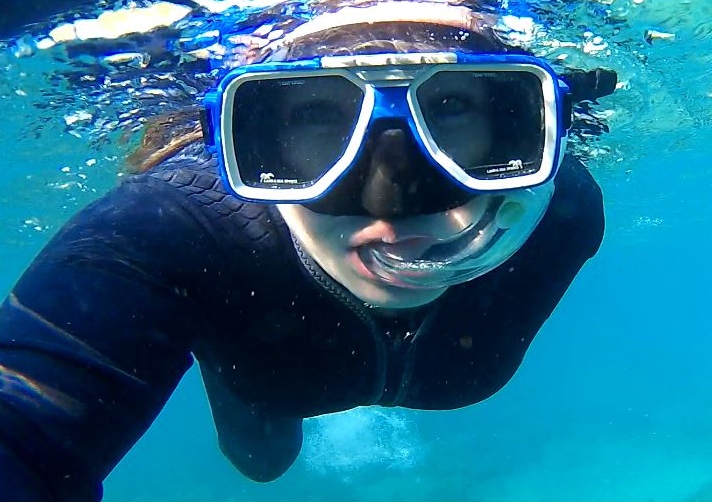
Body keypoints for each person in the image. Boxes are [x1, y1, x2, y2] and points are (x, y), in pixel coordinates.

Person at [0, 1, 616, 500]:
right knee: (262, 464)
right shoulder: (167, 228)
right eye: (319, 117)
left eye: (453, 107)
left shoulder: (563, 213)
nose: (390, 197)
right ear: (246, 139)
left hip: (281, 370)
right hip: (265, 384)